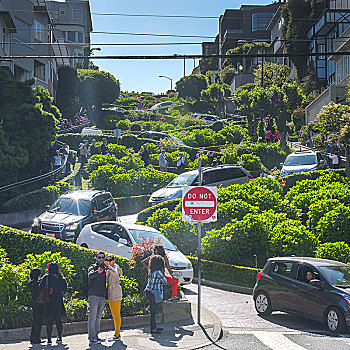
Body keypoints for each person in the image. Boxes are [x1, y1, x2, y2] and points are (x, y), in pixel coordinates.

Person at [39, 263, 67, 345]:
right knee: (58, 320)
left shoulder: (46, 277)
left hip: (49, 301)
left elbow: (40, 286)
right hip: (58, 300)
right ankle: (59, 337)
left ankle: (49, 338)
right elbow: (65, 288)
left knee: (49, 321)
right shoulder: (61, 278)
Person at [88, 252, 107, 344]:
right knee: (92, 318)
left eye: (102, 257)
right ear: (96, 258)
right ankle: (91, 337)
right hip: (93, 295)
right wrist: (97, 272)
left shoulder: (105, 268)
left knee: (98, 318)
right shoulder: (92, 267)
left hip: (102, 296)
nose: (101, 259)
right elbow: (90, 276)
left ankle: (96, 335)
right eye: (99, 257)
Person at [144, 255, 167, 334]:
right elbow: (165, 282)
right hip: (155, 292)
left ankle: (154, 326)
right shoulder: (159, 272)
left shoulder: (150, 270)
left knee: (152, 311)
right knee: (153, 311)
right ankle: (153, 329)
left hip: (149, 291)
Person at [105, 254, 123, 342]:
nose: (108, 261)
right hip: (110, 293)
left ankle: (117, 334)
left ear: (114, 260)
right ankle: (117, 333)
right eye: (107, 259)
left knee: (116, 315)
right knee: (114, 314)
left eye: (110, 259)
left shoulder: (115, 267)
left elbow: (116, 275)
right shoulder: (108, 269)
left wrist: (109, 267)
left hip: (116, 293)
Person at [28, 267, 44, 345]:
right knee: (38, 321)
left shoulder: (31, 282)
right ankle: (36, 338)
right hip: (38, 303)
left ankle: (32, 338)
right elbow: (38, 291)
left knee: (35, 321)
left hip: (33, 302)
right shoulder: (36, 283)